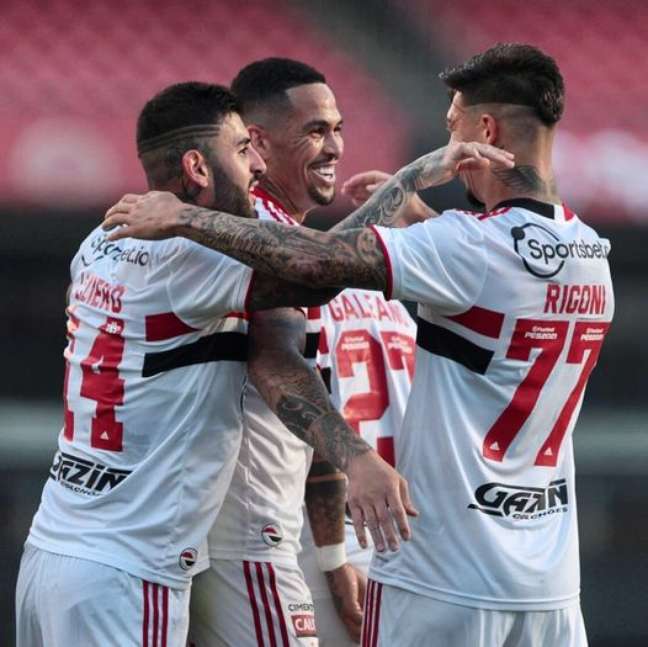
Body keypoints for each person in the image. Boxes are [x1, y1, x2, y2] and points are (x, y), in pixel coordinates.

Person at [104, 44, 614, 646]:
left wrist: (182, 216)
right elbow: (499, 269)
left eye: (452, 127)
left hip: (443, 573)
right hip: (547, 580)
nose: (450, 147)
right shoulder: (591, 254)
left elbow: (314, 266)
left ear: (486, 131)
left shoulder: (459, 247)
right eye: (317, 130)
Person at [15, 82, 413, 647]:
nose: (256, 165)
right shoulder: (194, 257)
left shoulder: (97, 243)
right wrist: (411, 182)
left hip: (52, 551)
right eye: (241, 149)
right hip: (130, 571)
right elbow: (324, 269)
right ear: (198, 167)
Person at [189, 58, 421, 647]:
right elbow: (287, 373)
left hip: (369, 528)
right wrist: (333, 553)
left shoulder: (330, 253)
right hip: (294, 534)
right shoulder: (252, 242)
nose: (336, 147)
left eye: (338, 129)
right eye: (316, 131)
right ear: (258, 142)